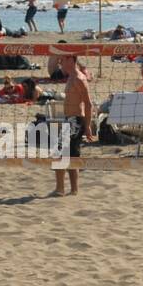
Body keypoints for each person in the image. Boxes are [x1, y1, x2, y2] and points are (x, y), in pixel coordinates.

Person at [57, 53, 91, 197]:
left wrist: (88, 126)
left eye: (62, 60)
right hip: (69, 119)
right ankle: (70, 189)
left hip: (75, 121)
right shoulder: (71, 77)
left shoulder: (78, 78)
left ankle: (63, 189)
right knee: (69, 155)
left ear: (71, 60)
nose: (60, 62)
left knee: (61, 154)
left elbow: (88, 104)